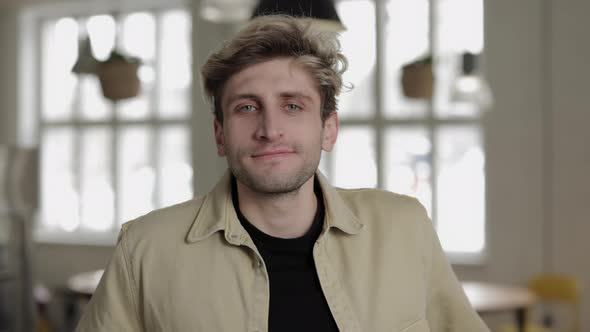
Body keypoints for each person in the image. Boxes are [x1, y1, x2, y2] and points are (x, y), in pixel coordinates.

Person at [75, 15, 489, 332]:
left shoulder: (404, 226)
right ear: (220, 134)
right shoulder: (144, 250)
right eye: (246, 107)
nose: (270, 129)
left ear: (329, 128)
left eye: (293, 106)